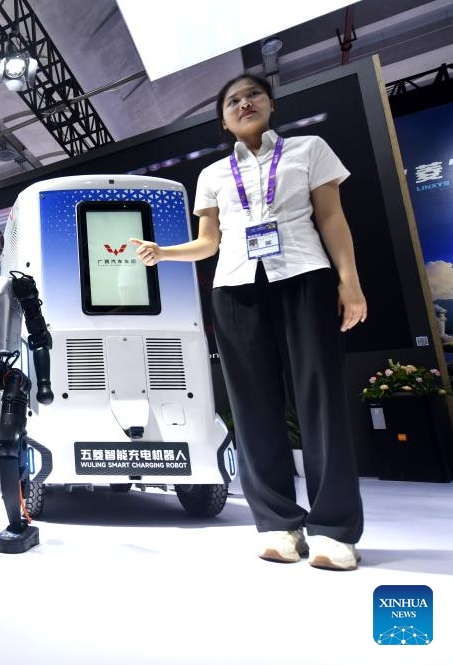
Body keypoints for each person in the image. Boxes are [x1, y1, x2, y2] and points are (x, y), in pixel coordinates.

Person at [133, 74, 367, 571]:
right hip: (236, 288)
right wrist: (164, 252)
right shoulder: (213, 174)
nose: (244, 103)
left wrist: (349, 282)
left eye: (253, 95)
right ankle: (279, 525)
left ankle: (334, 531)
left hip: (303, 276)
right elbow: (209, 243)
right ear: (223, 120)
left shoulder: (309, 149)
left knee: (320, 402)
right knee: (253, 407)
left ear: (271, 104)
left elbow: (331, 218)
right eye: (233, 101)